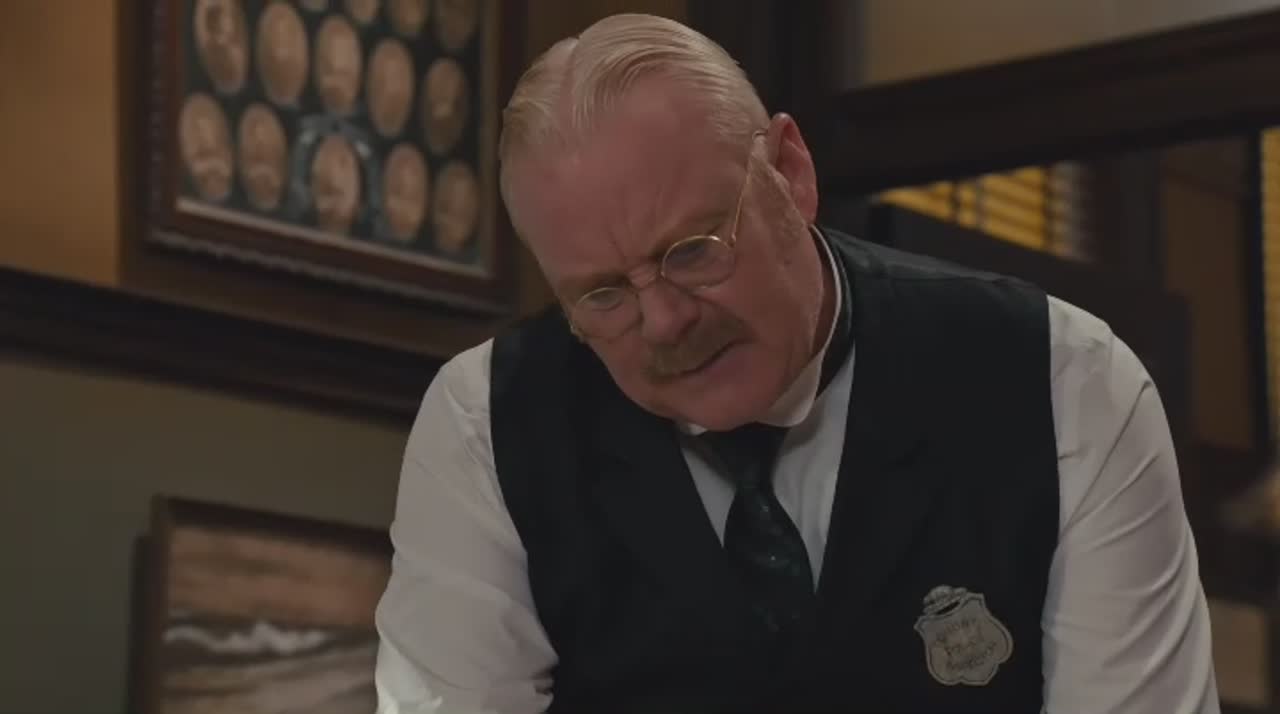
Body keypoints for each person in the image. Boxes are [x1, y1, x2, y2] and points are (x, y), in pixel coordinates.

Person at [373, 13, 1220, 714]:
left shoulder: (1062, 382)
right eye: (602, 294)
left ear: (790, 172)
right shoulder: (487, 424)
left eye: (692, 250)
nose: (664, 321)